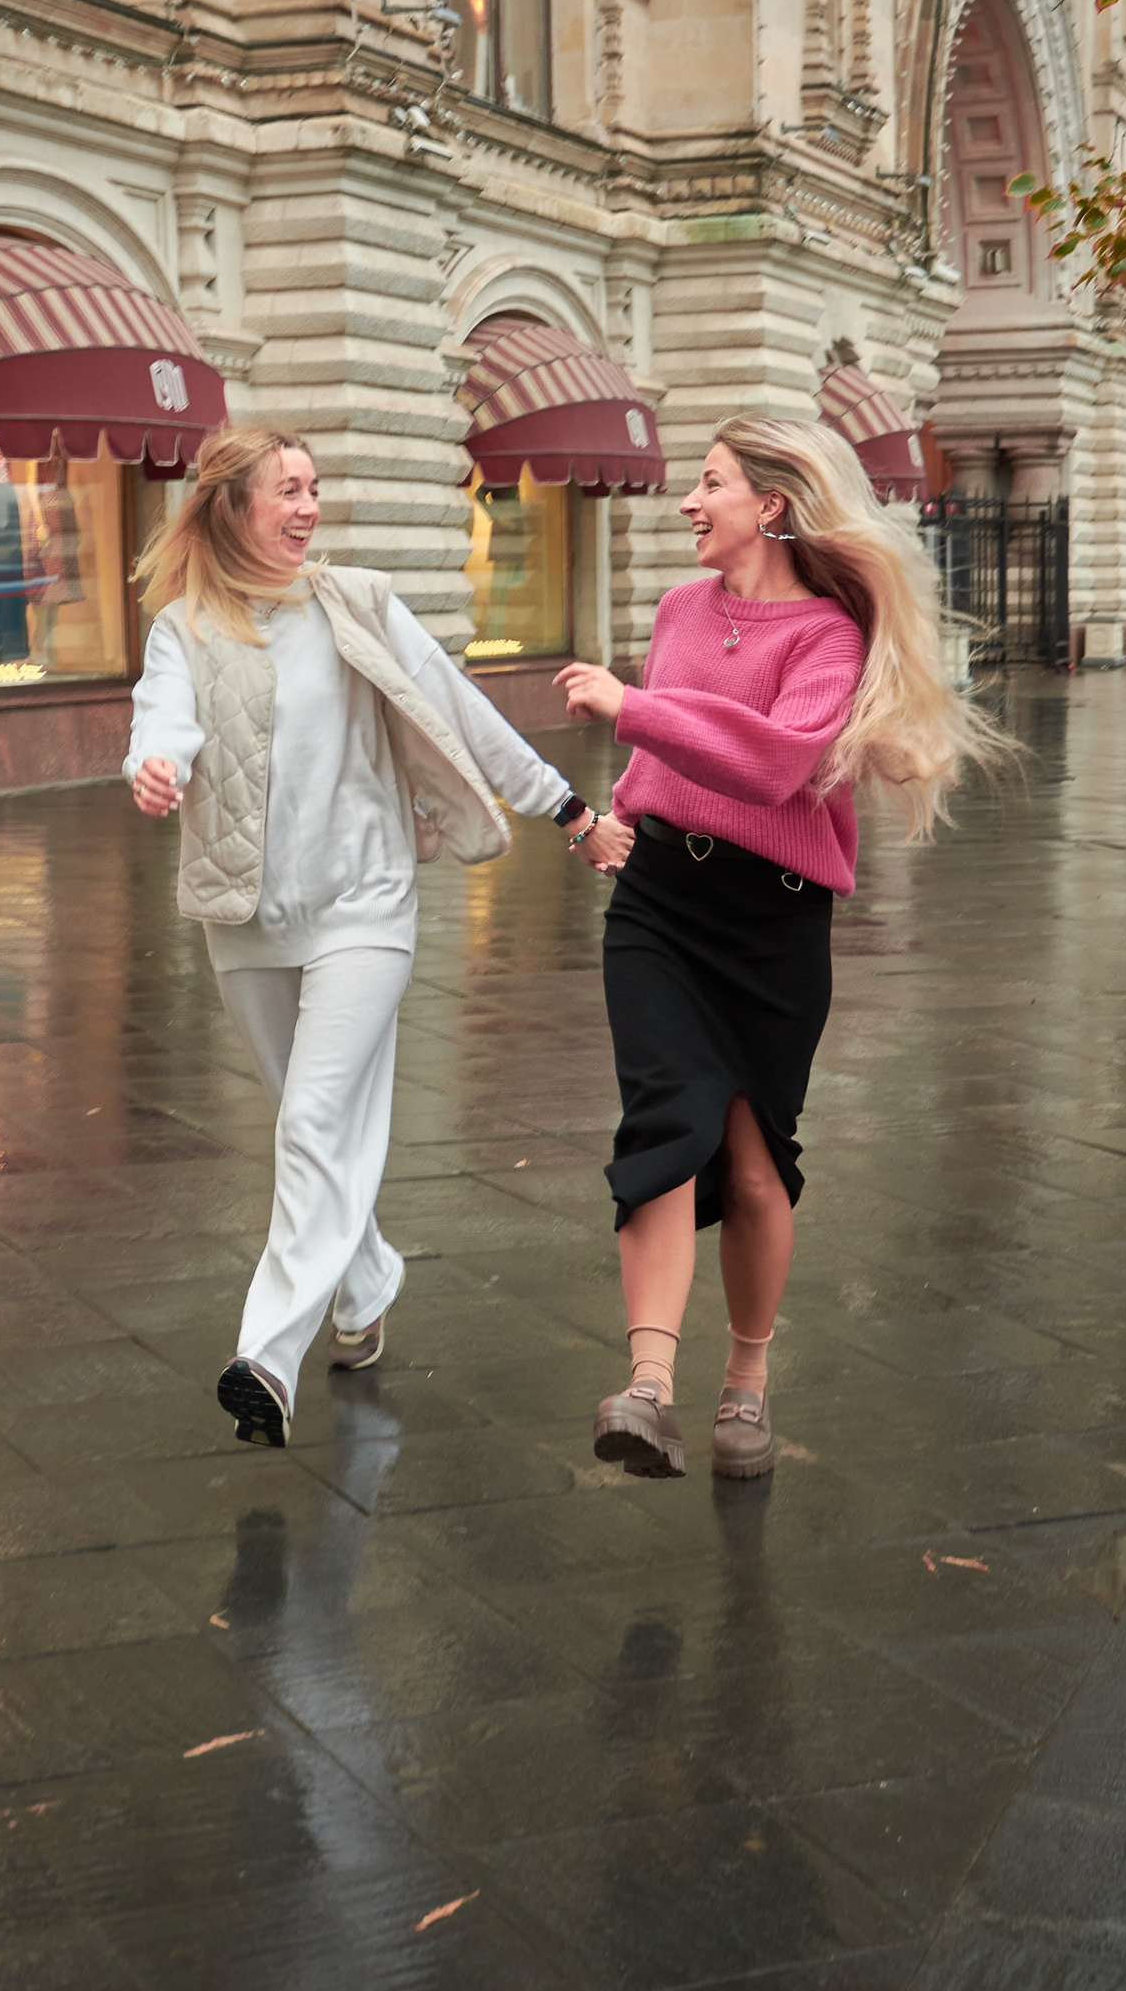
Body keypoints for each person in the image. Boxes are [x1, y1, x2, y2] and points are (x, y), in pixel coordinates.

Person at [126, 427, 620, 1448]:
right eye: (287, 491)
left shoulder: (355, 602)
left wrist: (566, 807)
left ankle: (266, 1356)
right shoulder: (185, 627)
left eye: (314, 488)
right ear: (233, 507)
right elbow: (163, 716)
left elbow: (459, 708)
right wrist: (156, 765)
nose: (309, 508)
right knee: (311, 1120)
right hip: (247, 914)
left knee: (314, 1118)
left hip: (366, 900)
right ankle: (366, 1278)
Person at [555, 415, 1006, 1485]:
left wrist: (633, 708)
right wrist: (617, 815)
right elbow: (674, 759)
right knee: (667, 1120)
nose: (689, 500)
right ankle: (648, 1389)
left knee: (755, 1166)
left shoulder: (828, 639)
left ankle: (746, 1384)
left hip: (772, 920)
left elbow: (772, 763)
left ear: (770, 504)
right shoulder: (679, 608)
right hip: (659, 903)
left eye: (710, 482)